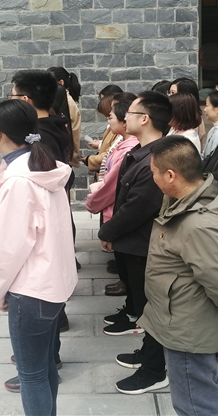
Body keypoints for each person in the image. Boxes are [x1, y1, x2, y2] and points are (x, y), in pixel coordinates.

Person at [136, 136, 218, 416]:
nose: (152, 178)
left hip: (188, 327)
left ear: (170, 175)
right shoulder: (184, 201)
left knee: (195, 403)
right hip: (180, 317)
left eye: (153, 172)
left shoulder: (201, 224)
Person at [0, 99, 77, 416]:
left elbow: (9, 248)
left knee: (32, 375)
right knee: (44, 368)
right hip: (52, 285)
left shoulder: (20, 180)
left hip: (31, 291)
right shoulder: (44, 167)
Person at [98, 91, 172, 394]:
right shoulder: (140, 152)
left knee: (152, 310)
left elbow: (139, 206)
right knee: (144, 308)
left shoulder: (158, 157)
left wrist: (109, 231)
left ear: (145, 119)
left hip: (146, 247)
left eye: (129, 112)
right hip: (134, 244)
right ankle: (149, 353)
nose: (123, 116)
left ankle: (156, 370)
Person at [85, 97, 139, 298]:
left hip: (117, 206)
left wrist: (94, 200)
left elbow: (112, 184)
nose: (108, 122)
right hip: (112, 204)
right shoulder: (123, 143)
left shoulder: (129, 148)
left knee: (128, 261)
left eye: (111, 117)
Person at [48, 67, 82, 167]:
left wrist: (72, 157)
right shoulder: (60, 100)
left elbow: (74, 131)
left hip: (63, 156)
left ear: (61, 82)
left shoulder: (68, 102)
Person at [84, 93, 121, 177]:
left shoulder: (122, 135)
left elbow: (111, 153)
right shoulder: (111, 128)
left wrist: (89, 159)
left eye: (110, 117)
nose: (108, 121)